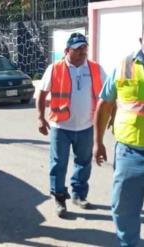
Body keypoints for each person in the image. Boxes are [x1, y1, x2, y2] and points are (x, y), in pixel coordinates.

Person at [36, 32, 106, 218]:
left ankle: (79, 195)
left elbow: (106, 96)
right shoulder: (55, 68)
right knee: (58, 164)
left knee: (83, 163)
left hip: (86, 126)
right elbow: (42, 94)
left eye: (84, 48)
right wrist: (40, 118)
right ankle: (59, 198)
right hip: (61, 127)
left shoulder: (95, 68)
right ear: (67, 50)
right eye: (78, 49)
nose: (83, 52)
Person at [93, 34, 144, 247]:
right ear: (141, 39)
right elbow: (104, 105)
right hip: (130, 152)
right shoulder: (125, 66)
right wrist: (98, 141)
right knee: (124, 208)